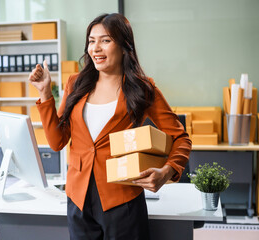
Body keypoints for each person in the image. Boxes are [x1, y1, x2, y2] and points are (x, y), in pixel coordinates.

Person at [29, 13, 192, 240]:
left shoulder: (142, 88)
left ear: (125, 47)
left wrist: (167, 172)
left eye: (105, 40)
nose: (96, 48)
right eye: (91, 41)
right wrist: (45, 93)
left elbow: (181, 138)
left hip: (122, 200)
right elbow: (57, 142)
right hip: (78, 200)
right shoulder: (75, 84)